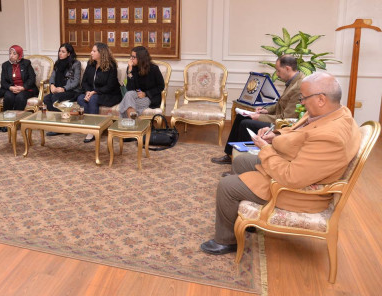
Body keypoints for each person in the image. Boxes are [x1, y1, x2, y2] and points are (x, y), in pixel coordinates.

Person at [200, 72, 360, 255]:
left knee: (227, 186)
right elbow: (299, 133)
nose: (301, 103)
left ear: (321, 99)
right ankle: (250, 220)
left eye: (304, 98)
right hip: (293, 163)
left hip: (297, 192)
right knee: (241, 161)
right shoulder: (335, 112)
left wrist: (265, 148)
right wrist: (274, 135)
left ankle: (226, 241)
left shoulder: (331, 137)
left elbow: (291, 177)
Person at [211, 55, 304, 165]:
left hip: (283, 125)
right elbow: (281, 104)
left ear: (287, 68)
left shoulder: (298, 86)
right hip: (278, 119)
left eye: (278, 70)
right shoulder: (293, 81)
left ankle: (242, 160)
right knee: (241, 117)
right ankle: (230, 154)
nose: (277, 74)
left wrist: (259, 117)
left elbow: (286, 118)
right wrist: (266, 110)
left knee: (245, 123)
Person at [77, 43, 122, 143]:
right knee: (80, 98)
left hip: (109, 94)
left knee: (93, 99)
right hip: (92, 93)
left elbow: (110, 86)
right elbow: (84, 82)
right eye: (92, 51)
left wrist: (94, 92)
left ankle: (93, 130)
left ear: (101, 53)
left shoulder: (111, 66)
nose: (91, 53)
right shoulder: (90, 63)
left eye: (94, 51)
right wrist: (88, 92)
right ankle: (90, 124)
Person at [43, 43, 82, 136]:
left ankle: (62, 126)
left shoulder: (76, 63)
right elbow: (52, 77)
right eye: (59, 51)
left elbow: (76, 82)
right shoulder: (57, 63)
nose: (60, 53)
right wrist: (52, 85)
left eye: (63, 52)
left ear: (69, 53)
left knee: (55, 98)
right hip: (58, 90)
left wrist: (64, 88)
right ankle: (58, 123)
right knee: (46, 99)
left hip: (71, 91)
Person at [119, 46, 164, 119]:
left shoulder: (153, 68)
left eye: (133, 57)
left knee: (127, 104)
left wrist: (146, 93)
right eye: (131, 56)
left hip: (150, 97)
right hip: (136, 94)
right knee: (128, 94)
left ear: (141, 58)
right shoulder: (131, 68)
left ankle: (131, 122)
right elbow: (130, 89)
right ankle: (133, 122)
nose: (131, 59)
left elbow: (161, 86)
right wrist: (130, 71)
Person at [0, 45, 38, 111]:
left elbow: (32, 78)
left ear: (19, 55)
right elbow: (3, 82)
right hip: (11, 89)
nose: (11, 55)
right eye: (10, 53)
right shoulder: (5, 65)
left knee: (20, 97)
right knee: (8, 96)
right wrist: (11, 87)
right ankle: (7, 116)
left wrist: (22, 88)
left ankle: (18, 116)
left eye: (14, 54)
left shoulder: (26, 63)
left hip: (26, 89)